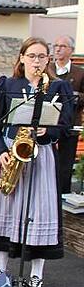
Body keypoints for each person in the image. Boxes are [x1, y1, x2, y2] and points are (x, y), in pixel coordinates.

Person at [0, 37, 73, 287]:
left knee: (40, 212)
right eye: (31, 56)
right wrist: (1, 152)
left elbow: (65, 128)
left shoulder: (59, 87)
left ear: (48, 60)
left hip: (42, 154)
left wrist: (48, 131)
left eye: (42, 57)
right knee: (6, 208)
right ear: (21, 58)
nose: (36, 61)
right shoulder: (7, 85)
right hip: (12, 153)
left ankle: (36, 275)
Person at [52, 35, 83, 195]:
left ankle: (63, 195)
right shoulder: (48, 69)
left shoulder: (79, 73)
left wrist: (74, 96)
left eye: (62, 46)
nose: (57, 49)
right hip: (49, 123)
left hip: (70, 123)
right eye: (56, 45)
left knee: (66, 162)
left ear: (71, 50)